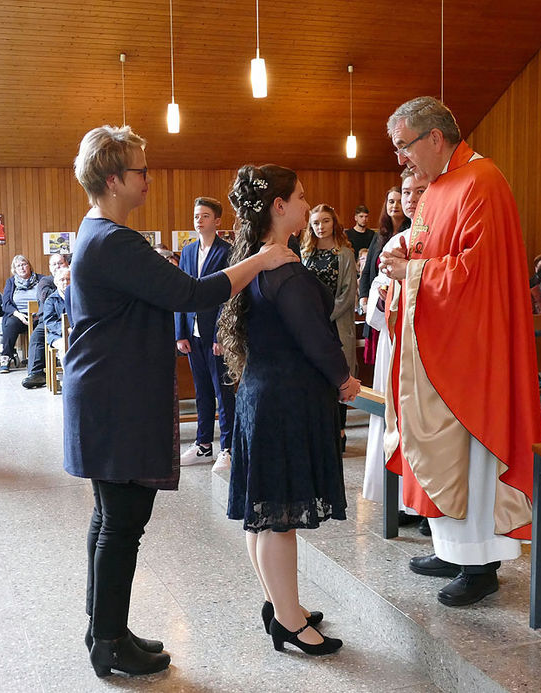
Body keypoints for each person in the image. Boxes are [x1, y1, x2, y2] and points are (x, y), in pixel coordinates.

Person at [63, 125, 298, 678]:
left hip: (104, 391)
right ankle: (108, 641)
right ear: (115, 178)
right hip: (112, 396)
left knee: (110, 516)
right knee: (122, 519)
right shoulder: (113, 240)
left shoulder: (101, 233)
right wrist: (262, 261)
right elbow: (192, 294)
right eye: (141, 169)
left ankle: (106, 628)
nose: (149, 177)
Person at [380, 96, 541, 607]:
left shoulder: (482, 181)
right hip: (438, 342)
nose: (401, 159)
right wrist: (402, 253)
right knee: (444, 455)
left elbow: (481, 272)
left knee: (471, 454)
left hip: (473, 351)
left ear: (434, 137)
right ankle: (453, 550)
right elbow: (434, 249)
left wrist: (417, 273)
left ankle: (481, 565)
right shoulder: (436, 188)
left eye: (405, 146)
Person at [219, 164, 360, 657]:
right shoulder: (285, 269)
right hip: (283, 401)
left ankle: (282, 605)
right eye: (299, 197)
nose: (306, 204)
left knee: (264, 515)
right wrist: (344, 380)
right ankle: (289, 623)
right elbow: (316, 338)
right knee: (279, 519)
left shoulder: (257, 260)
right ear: (278, 207)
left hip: (262, 395)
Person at [362, 169, 428, 531]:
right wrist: (382, 296)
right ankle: (401, 497)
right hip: (393, 344)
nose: (411, 198)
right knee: (393, 421)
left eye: (420, 190)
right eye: (406, 192)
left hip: (424, 348)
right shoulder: (394, 242)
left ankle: (426, 505)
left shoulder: (439, 238)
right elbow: (376, 287)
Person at [176, 197, 236, 470]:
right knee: (201, 392)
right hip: (193, 332)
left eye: (205, 215)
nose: (199, 220)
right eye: (196, 215)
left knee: (222, 393)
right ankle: (203, 444)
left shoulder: (227, 251)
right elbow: (180, 295)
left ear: (218, 221)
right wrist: (180, 333)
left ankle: (228, 446)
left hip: (216, 336)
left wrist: (221, 336)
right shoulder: (187, 252)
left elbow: (230, 297)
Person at [301, 203, 357, 450]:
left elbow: (347, 294)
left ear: (334, 223)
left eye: (325, 221)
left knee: (339, 375)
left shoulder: (344, 253)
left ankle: (340, 430)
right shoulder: (306, 253)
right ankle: (318, 431)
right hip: (311, 324)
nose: (320, 227)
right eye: (315, 223)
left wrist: (324, 316)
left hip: (335, 322)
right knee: (315, 378)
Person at [359, 187, 409, 364]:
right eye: (390, 201)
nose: (394, 205)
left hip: (395, 305)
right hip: (376, 303)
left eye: (398, 201)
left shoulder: (410, 234)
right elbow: (367, 272)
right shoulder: (379, 235)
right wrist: (364, 298)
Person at [22, 253, 70, 388]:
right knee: (37, 336)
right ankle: (36, 373)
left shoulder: (73, 278)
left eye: (60, 263)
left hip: (71, 321)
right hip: (48, 317)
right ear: (49, 267)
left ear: (66, 263)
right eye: (54, 264)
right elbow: (44, 296)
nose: (57, 266)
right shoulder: (45, 281)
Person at [0, 255, 46, 373]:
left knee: (43, 327)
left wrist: (39, 313)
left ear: (29, 266)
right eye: (18, 266)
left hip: (38, 314)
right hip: (19, 315)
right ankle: (6, 357)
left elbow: (47, 299)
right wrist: (18, 314)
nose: (22, 268)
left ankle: (40, 360)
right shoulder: (11, 282)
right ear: (14, 269)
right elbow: (6, 304)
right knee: (10, 324)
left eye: (24, 264)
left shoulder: (42, 279)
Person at [43, 266, 70, 356]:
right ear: (57, 282)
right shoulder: (51, 300)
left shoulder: (78, 298)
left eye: (68, 279)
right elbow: (49, 321)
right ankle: (67, 370)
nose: (66, 282)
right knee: (65, 346)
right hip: (56, 335)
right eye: (62, 280)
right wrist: (65, 330)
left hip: (75, 331)